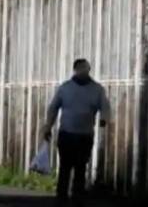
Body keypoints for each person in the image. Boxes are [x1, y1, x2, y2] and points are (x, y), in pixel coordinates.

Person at [42, 58, 111, 203]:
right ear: (75, 70)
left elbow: (105, 107)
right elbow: (53, 108)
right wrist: (48, 126)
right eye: (80, 69)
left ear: (89, 70)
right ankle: (62, 196)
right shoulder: (65, 88)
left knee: (81, 166)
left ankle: (77, 195)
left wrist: (104, 120)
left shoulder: (97, 89)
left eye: (85, 69)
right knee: (65, 166)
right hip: (67, 133)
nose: (83, 72)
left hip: (85, 135)